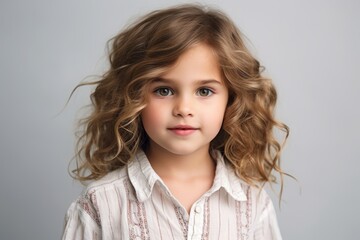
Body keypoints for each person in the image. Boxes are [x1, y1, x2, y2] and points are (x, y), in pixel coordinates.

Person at [62, 4, 289, 240]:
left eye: (204, 91)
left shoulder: (252, 205)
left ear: (231, 100)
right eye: (164, 90)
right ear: (133, 96)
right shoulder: (100, 205)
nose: (184, 109)